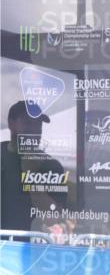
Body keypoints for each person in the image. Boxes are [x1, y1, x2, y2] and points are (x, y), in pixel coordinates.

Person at [1, 100, 67, 233]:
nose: (34, 130)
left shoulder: (51, 165)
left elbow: (54, 218)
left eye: (38, 124)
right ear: (11, 123)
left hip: (32, 247)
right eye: (27, 123)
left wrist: (32, 177)